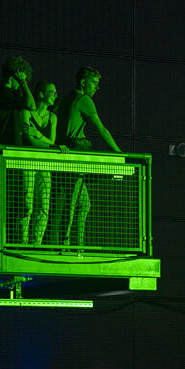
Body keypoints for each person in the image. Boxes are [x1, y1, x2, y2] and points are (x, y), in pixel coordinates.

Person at [56, 66, 121, 247]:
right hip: (74, 155)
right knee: (73, 201)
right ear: (83, 82)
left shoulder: (67, 98)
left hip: (65, 153)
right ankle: (67, 245)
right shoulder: (83, 99)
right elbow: (102, 130)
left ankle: (77, 244)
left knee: (83, 203)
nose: (97, 87)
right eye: (94, 82)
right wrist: (120, 155)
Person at [19, 81, 64, 244]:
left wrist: (37, 134)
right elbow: (29, 139)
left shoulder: (52, 117)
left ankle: (36, 242)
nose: (55, 96)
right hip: (27, 162)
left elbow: (51, 141)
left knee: (44, 206)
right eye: (52, 92)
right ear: (41, 93)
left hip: (44, 164)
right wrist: (48, 144)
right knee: (27, 204)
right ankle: (22, 242)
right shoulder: (25, 113)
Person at [0, 56, 35, 145]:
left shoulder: (12, 94)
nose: (20, 85)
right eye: (22, 80)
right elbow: (31, 105)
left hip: (10, 144)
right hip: (2, 144)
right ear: (16, 75)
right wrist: (23, 82)